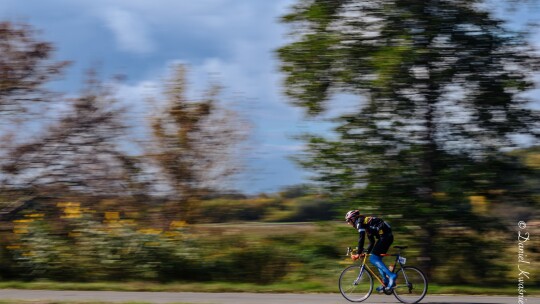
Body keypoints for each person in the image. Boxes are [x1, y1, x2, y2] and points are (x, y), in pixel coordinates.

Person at [345, 210, 397, 291]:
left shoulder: (359, 222)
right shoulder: (366, 224)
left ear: (353, 218)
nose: (348, 223)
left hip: (385, 237)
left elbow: (361, 238)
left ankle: (391, 275)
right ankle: (386, 282)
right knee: (377, 259)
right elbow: (372, 242)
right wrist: (364, 253)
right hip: (386, 237)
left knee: (373, 259)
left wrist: (358, 253)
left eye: (348, 221)